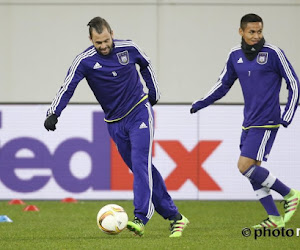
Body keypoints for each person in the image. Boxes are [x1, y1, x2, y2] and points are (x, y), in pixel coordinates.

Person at [44, 16, 189, 237]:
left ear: (112, 33)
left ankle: (141, 217)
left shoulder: (129, 48)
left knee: (141, 164)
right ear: (91, 40)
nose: (103, 46)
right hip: (114, 123)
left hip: (139, 112)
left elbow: (146, 66)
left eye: (105, 41)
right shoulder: (84, 61)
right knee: (143, 169)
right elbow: (68, 86)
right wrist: (54, 113)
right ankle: (176, 217)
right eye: (97, 43)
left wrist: (154, 93)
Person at [190, 13, 300, 228]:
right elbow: (223, 84)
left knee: (244, 166)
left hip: (267, 120)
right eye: (252, 32)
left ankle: (290, 194)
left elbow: (294, 84)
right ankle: (275, 218)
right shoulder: (234, 55)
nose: (256, 36)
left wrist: (286, 115)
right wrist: (202, 102)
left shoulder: (273, 53)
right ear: (241, 32)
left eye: (259, 31)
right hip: (248, 121)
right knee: (253, 172)